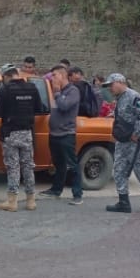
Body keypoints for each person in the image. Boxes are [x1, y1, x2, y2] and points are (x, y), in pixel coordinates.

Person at [102, 73, 140, 213]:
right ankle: (123, 202)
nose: (109, 88)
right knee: (119, 170)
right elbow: (126, 115)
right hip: (123, 141)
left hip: (135, 143)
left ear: (120, 82)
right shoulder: (120, 98)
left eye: (111, 85)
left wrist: (137, 133)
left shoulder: (134, 96)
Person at [0, 64, 44, 212]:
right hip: (27, 133)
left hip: (10, 133)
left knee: (13, 167)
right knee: (28, 167)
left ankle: (12, 201)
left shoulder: (5, 90)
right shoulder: (32, 87)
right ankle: (31, 201)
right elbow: (39, 108)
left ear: (6, 76)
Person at [39, 64, 84, 205]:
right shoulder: (56, 91)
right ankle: (56, 190)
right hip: (54, 133)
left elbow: (64, 106)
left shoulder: (73, 91)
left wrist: (57, 92)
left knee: (72, 165)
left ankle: (77, 194)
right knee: (59, 164)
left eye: (54, 75)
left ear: (63, 76)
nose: (52, 78)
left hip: (66, 134)